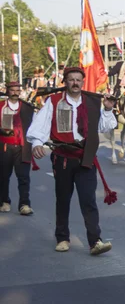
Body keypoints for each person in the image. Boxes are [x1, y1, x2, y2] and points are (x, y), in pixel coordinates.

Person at [26, 67, 118, 255]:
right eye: (71, 79)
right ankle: (62, 238)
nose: (75, 83)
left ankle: (95, 241)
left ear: (82, 82)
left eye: (78, 80)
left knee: (88, 200)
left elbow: (105, 126)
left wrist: (108, 110)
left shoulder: (92, 102)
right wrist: (37, 142)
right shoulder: (53, 101)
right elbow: (41, 124)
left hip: (86, 158)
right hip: (63, 158)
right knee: (63, 199)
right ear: (65, 82)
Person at [0, 81, 36, 215]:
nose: (15, 93)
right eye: (12, 90)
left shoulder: (27, 107)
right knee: (3, 176)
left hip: (22, 147)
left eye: (17, 90)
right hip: (4, 146)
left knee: (24, 177)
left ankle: (24, 204)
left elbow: (35, 125)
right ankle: (4, 201)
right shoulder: (1, 106)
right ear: (7, 91)